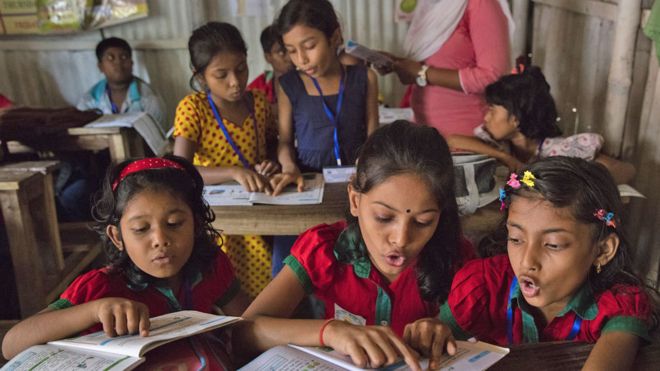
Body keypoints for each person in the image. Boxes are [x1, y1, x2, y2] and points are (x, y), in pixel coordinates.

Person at [236, 121, 476, 370]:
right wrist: (330, 332)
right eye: (384, 217)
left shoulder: (457, 260)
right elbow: (244, 332)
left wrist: (444, 327)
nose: (401, 239)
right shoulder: (326, 249)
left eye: (423, 221)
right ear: (355, 200)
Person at [1, 156, 249, 361]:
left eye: (174, 223)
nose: (160, 240)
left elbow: (248, 322)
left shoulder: (211, 266)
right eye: (141, 229)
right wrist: (94, 311)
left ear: (195, 224)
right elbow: (12, 344)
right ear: (117, 236)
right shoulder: (101, 287)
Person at [438, 156, 655, 370]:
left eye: (553, 244)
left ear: (602, 250)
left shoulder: (618, 306)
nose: (527, 261)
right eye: (515, 239)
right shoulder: (484, 286)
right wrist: (431, 332)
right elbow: (436, 337)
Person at [173, 22, 279, 299]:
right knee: (230, 287)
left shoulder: (257, 102)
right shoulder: (194, 108)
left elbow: (273, 146)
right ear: (200, 77)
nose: (235, 81)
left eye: (241, 68)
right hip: (220, 216)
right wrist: (233, 172)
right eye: (221, 74)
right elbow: (179, 169)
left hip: (260, 205)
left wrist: (271, 163)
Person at [446, 65, 636, 184]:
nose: (486, 117)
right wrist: (504, 157)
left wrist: (571, 180)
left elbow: (627, 171)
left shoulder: (559, 150)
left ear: (515, 118)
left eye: (493, 110)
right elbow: (452, 140)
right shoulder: (500, 146)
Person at [270, 0, 379, 195]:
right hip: (306, 181)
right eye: (292, 51)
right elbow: (285, 141)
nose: (301, 59)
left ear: (335, 37)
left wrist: (368, 162)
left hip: (357, 180)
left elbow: (374, 137)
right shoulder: (289, 85)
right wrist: (289, 167)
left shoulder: (364, 78)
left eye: (310, 46)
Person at [379, 0, 512, 136]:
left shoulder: (480, 4)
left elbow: (492, 75)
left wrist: (422, 73)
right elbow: (432, 64)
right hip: (424, 130)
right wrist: (397, 63)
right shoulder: (431, 6)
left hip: (465, 137)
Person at [77, 37, 167, 133]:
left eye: (124, 57)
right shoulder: (89, 100)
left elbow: (159, 138)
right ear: (100, 66)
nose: (118, 62)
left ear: (131, 63)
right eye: (110, 58)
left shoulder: (149, 98)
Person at [247, 25, 293, 113]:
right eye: (281, 52)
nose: (289, 57)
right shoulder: (259, 86)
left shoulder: (308, 81)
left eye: (291, 49)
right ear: (268, 57)